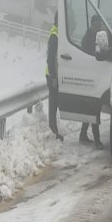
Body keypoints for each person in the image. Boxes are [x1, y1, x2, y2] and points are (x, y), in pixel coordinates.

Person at [78, 16, 105, 148]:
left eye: (99, 25)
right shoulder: (89, 37)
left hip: (96, 76)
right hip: (91, 76)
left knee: (91, 109)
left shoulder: (99, 38)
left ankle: (83, 134)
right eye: (96, 25)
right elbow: (87, 55)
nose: (98, 27)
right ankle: (97, 140)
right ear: (92, 25)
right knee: (94, 109)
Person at [45, 12, 64, 141]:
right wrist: (53, 76)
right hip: (52, 74)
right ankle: (53, 128)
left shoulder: (57, 33)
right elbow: (50, 58)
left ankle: (54, 127)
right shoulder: (55, 36)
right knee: (53, 102)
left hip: (55, 74)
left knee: (56, 101)